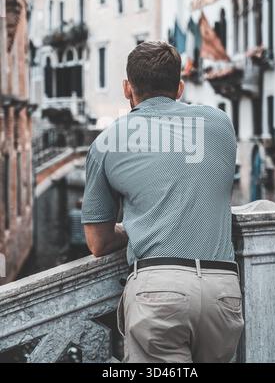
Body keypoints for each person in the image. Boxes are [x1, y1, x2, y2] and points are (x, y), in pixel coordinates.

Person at [82, 41, 244, 363]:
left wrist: (138, 226)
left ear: (127, 88)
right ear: (180, 87)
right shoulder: (220, 124)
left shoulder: (106, 143)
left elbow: (97, 242)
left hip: (158, 292)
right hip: (222, 290)